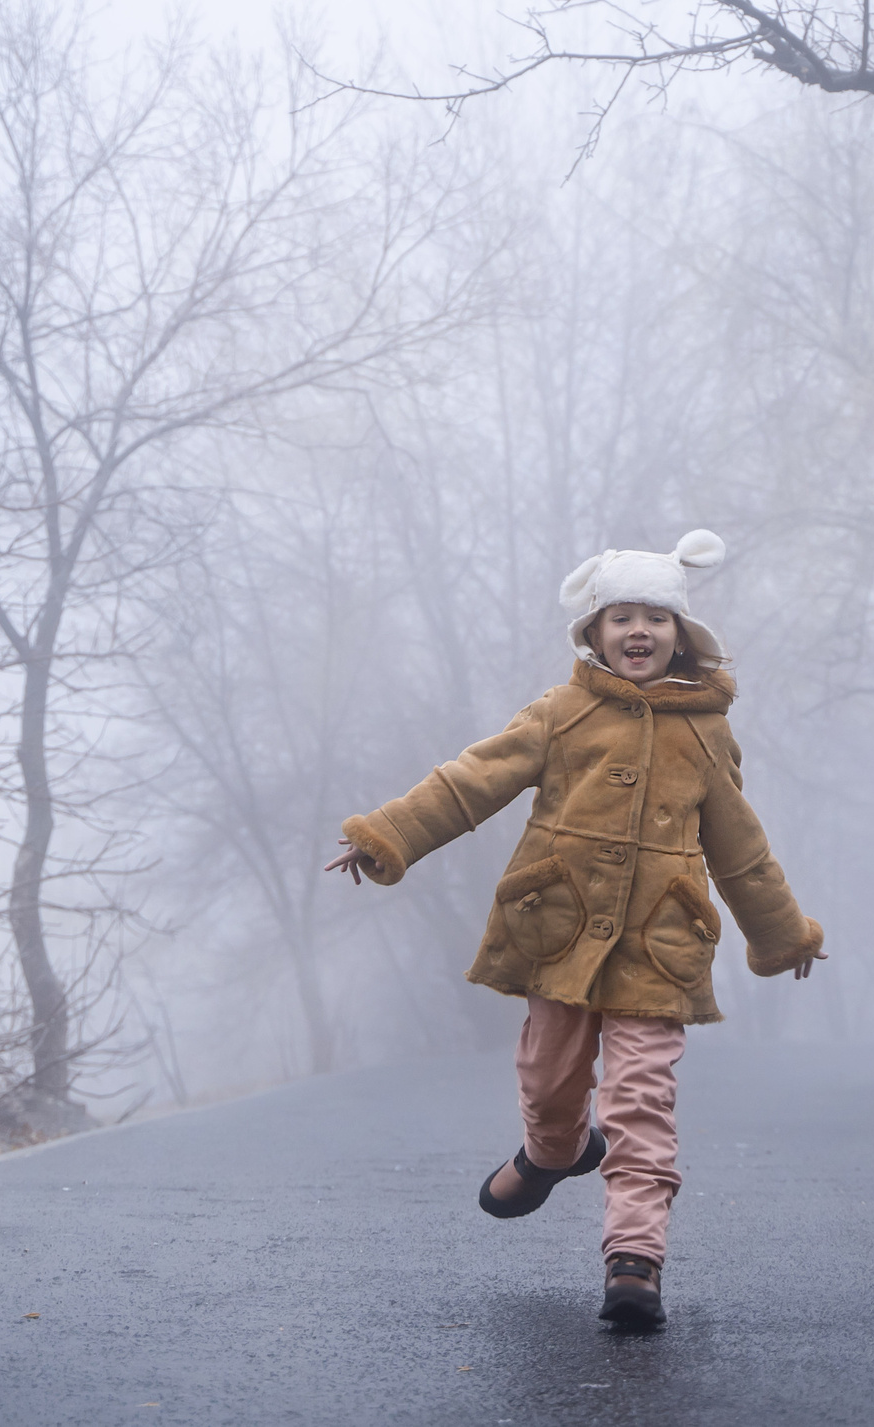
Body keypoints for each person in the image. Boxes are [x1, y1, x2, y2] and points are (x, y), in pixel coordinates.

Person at [327, 529, 824, 1330]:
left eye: (656, 619)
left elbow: (742, 848)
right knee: (549, 1079)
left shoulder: (707, 732)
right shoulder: (561, 713)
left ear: (681, 636)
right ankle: (555, 1151)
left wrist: (783, 933)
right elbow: (470, 782)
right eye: (621, 616)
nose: (638, 631)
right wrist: (387, 834)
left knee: (641, 1099)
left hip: (660, 947)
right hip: (556, 933)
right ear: (593, 632)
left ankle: (635, 1260)